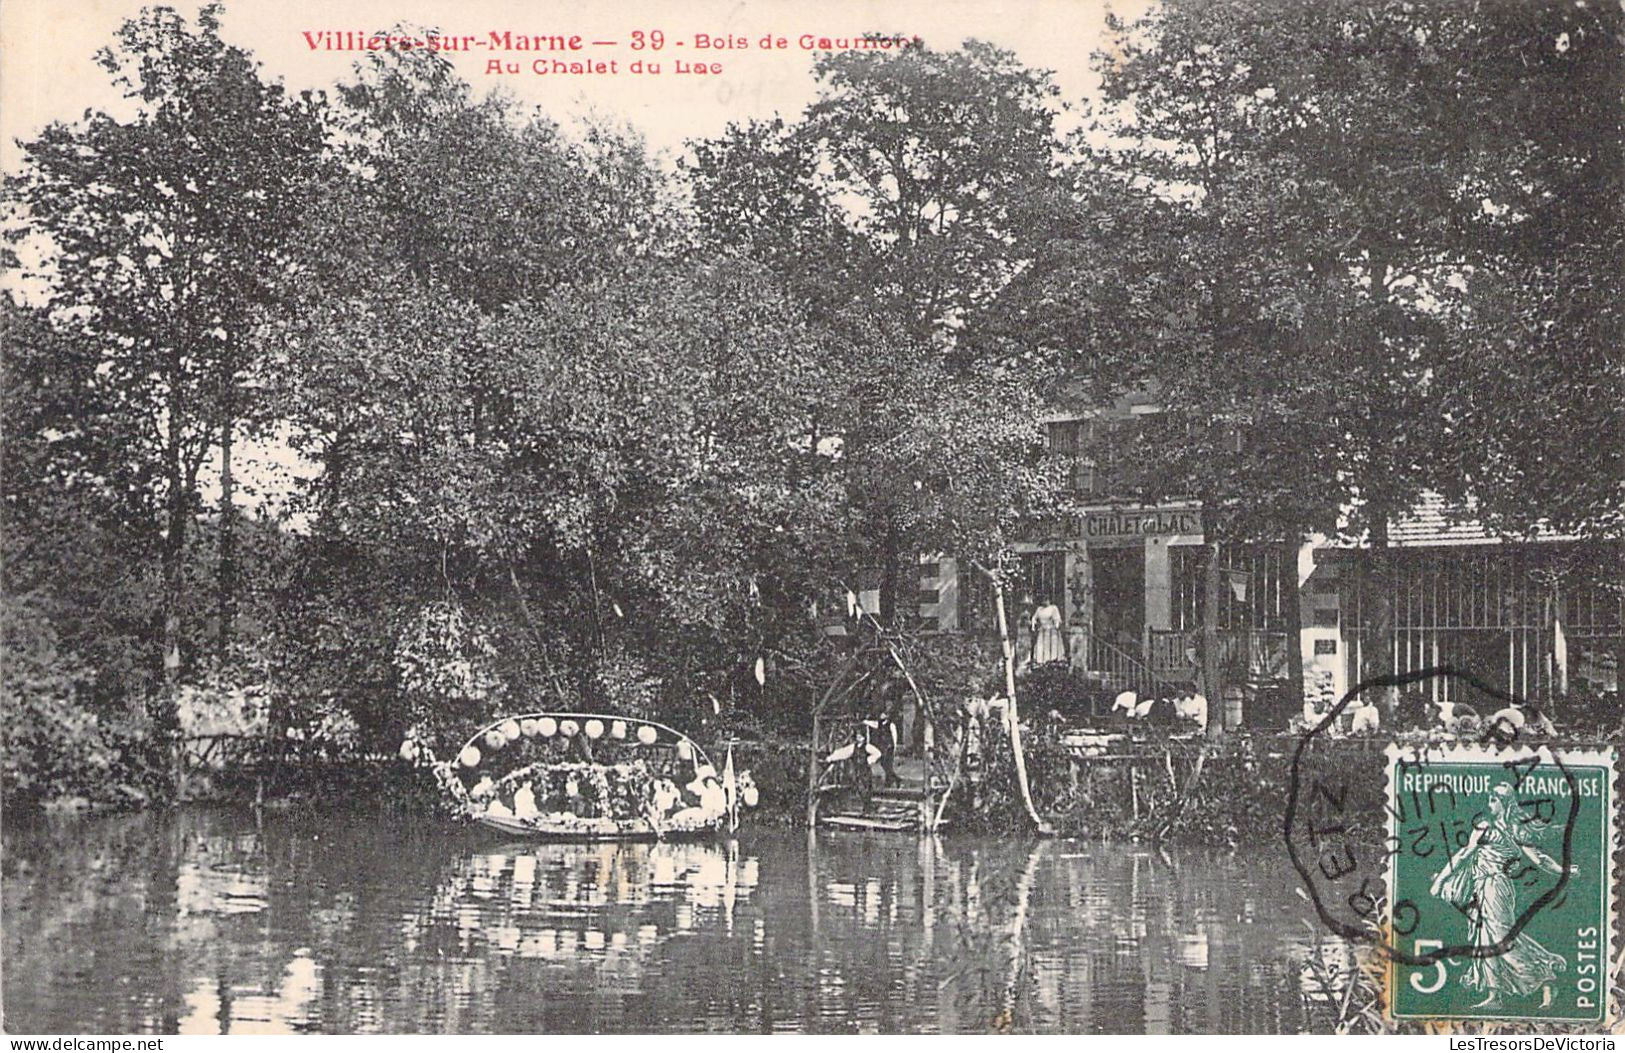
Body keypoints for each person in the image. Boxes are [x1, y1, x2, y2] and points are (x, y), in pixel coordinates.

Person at [1430, 784, 1570, 1010]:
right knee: (1485, 938)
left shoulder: (1515, 831)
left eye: (1493, 799)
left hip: (1496, 886)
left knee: (1501, 939)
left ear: (1503, 802)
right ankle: (1495, 995)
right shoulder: (1484, 826)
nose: (1489, 803)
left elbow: (1539, 859)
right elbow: (1465, 853)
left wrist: (1562, 871)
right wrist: (1441, 880)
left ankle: (1545, 978)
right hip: (1480, 886)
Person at [1029, 597, 1067, 666]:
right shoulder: (1039, 609)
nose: (1045, 602)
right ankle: (1041, 661)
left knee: (1052, 644)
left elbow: (1057, 618)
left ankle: (1052, 659)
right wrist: (1033, 626)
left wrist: (1056, 625)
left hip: (1051, 630)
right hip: (1042, 629)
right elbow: (1034, 618)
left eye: (1046, 600)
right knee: (1041, 644)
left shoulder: (1053, 608)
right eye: (1044, 600)